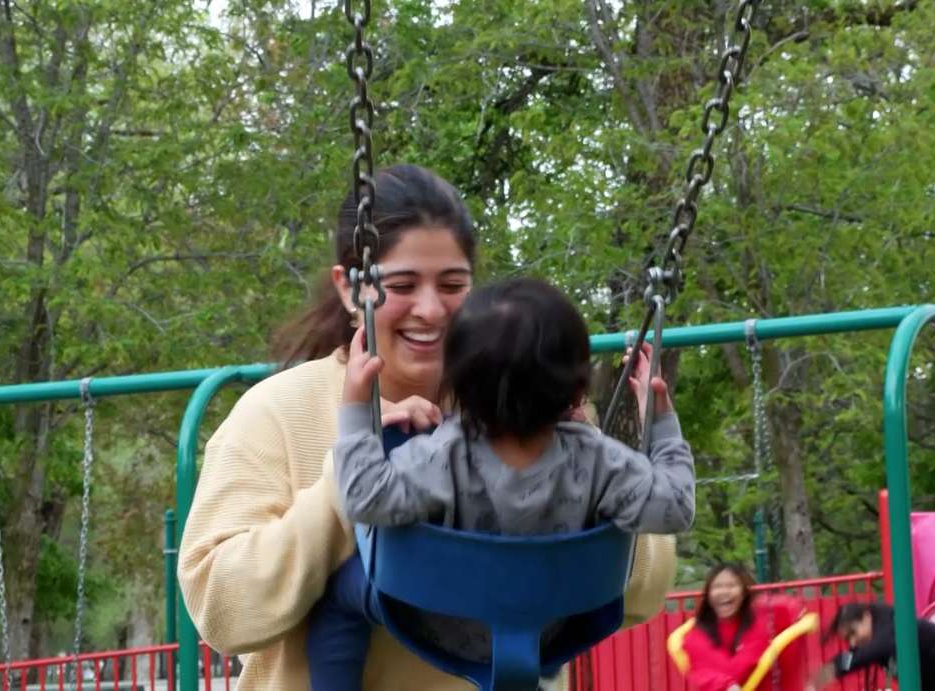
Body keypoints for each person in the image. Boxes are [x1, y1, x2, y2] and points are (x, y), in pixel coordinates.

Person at [176, 164, 682, 690]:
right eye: (401, 284)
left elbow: (642, 593)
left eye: (452, 284)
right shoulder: (279, 413)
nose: (430, 309)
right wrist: (339, 489)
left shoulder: (531, 401)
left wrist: (589, 465)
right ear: (351, 291)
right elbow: (222, 612)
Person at [306, 277, 696, 690]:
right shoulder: (602, 460)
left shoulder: (440, 454)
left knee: (337, 601)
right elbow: (676, 505)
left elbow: (363, 498)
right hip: (551, 628)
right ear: (578, 390)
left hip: (439, 622)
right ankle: (526, 662)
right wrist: (660, 424)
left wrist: (354, 407)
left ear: (456, 382)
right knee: (534, 588)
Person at [812, 602, 935, 691]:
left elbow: (877, 648)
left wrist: (837, 667)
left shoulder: (892, 627)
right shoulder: (878, 638)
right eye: (848, 639)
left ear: (866, 617)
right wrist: (834, 666)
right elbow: (858, 654)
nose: (853, 642)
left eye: (853, 633)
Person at [675, 563, 776, 691]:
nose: (724, 592)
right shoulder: (695, 636)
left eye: (731, 585)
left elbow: (738, 669)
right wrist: (725, 684)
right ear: (708, 595)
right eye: (717, 586)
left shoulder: (757, 624)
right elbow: (708, 673)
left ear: (744, 592)